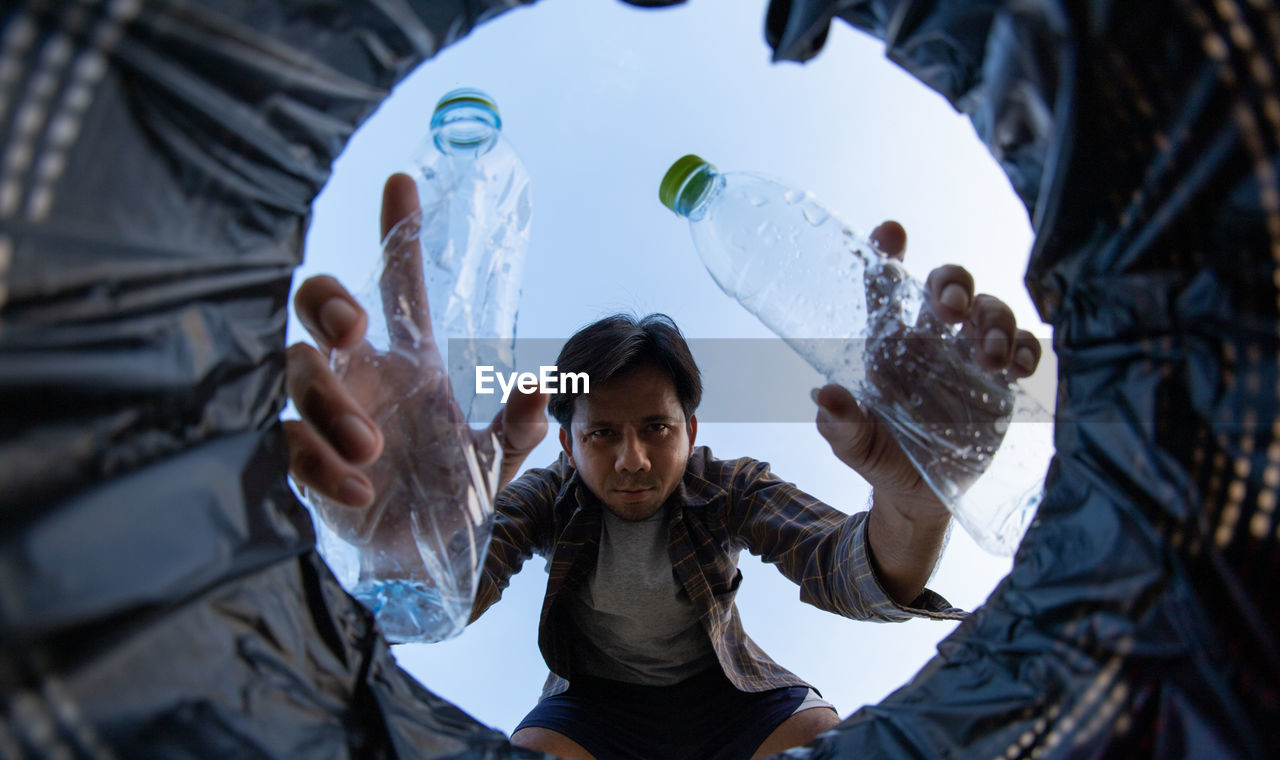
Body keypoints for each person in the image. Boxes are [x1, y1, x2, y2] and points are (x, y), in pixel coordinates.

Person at [285, 173, 1042, 759]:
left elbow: (839, 562)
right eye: (602, 434)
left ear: (692, 430)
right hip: (593, 707)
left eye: (656, 428)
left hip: (736, 695)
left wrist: (919, 502)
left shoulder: (728, 485)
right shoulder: (550, 497)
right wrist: (414, 563)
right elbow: (466, 578)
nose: (633, 459)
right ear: (566, 443)